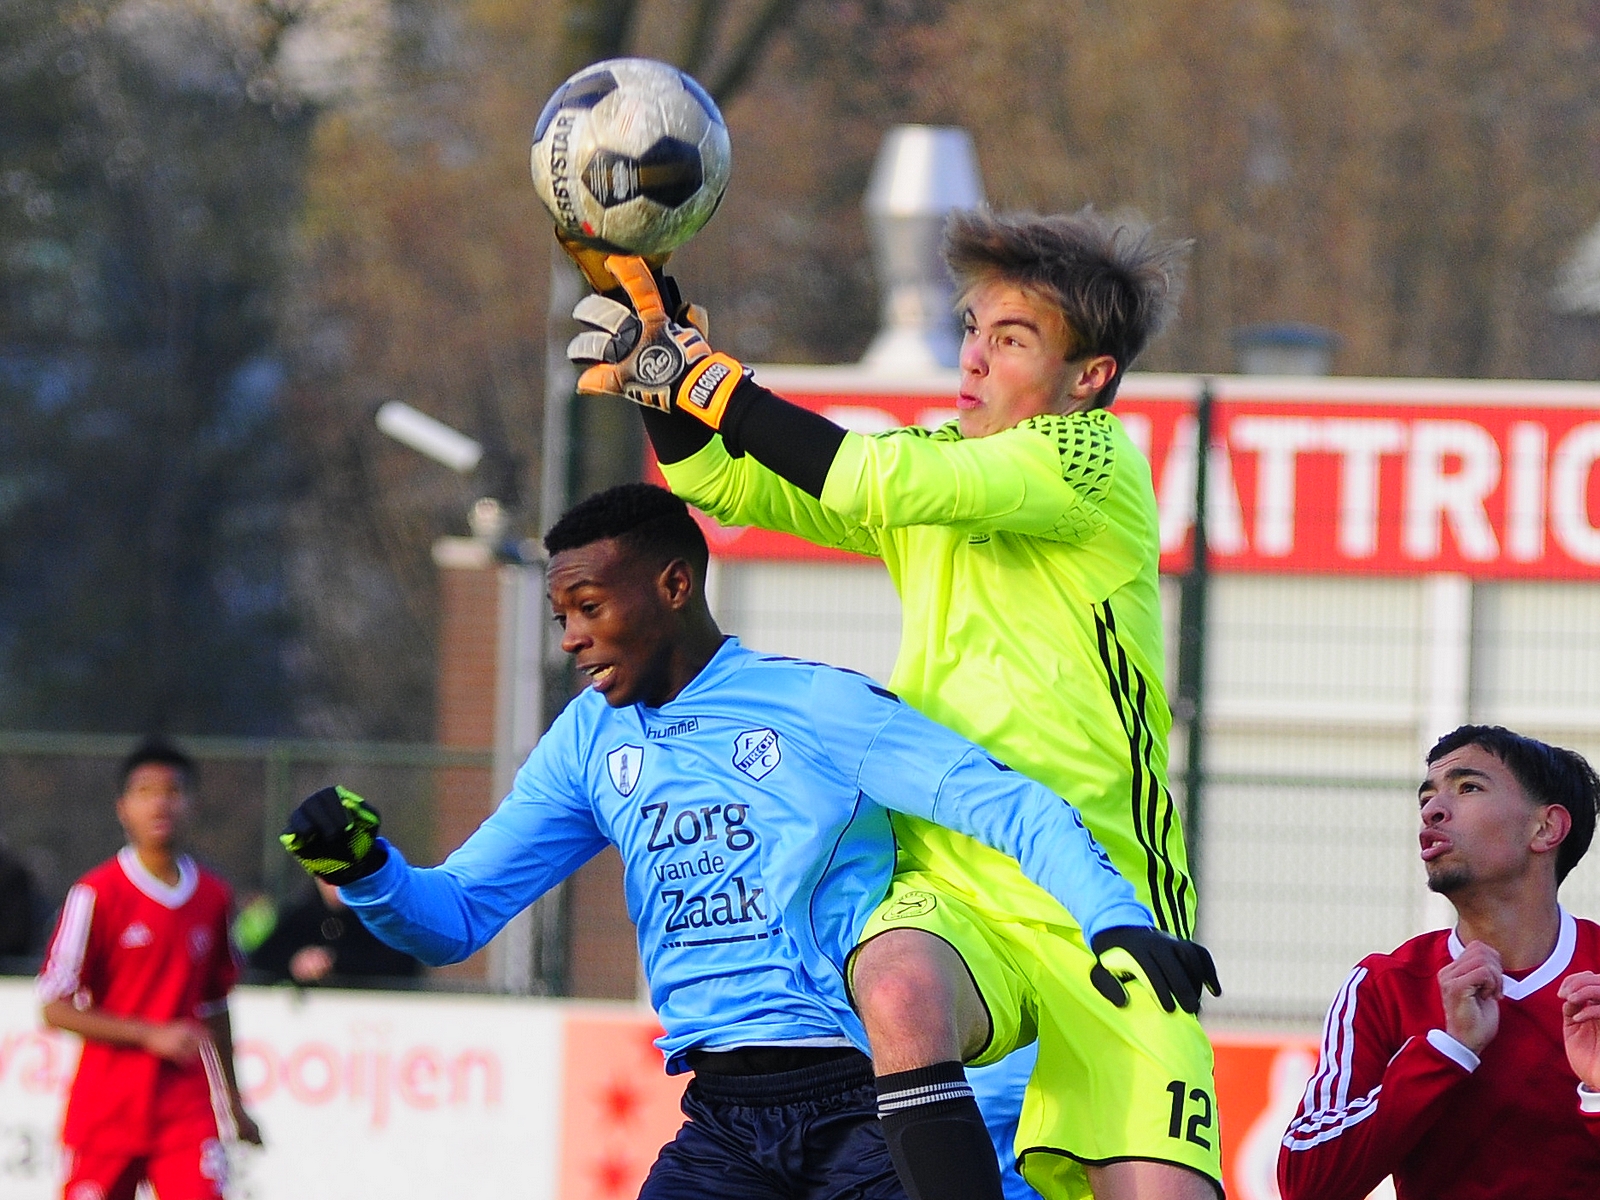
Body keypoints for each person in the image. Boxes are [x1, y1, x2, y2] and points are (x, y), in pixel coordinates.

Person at [280, 483, 1215, 1200]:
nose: (570, 636)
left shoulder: (814, 705)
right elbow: (455, 917)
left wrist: (1113, 917)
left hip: (864, 1100)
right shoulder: (585, 741)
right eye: (561, 614)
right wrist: (368, 871)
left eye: (590, 607)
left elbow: (1003, 803)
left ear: (674, 585)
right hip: (724, 1123)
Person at [562, 209, 1219, 1200]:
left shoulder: (1089, 459)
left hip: (1102, 895)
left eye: (1011, 339)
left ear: (1089, 379)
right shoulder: (940, 480)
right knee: (898, 985)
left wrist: (696, 373)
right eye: (969, 328)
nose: (974, 358)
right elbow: (722, 482)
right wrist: (662, 378)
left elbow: (861, 470)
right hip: (953, 885)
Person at [1277, 725, 1600, 1200]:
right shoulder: (1383, 984)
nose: (1432, 809)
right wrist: (1447, 1052)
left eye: (1468, 787)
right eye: (1426, 797)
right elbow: (1307, 1184)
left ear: (1546, 828)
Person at [37, 737, 262, 1200]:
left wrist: (234, 1104)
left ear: (191, 805)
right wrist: (149, 1034)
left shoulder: (214, 897)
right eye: (145, 792)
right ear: (123, 808)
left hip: (184, 1109)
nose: (161, 803)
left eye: (173, 791)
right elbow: (54, 1008)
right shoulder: (96, 893)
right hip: (107, 1110)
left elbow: (216, 1005)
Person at [246, 877, 422, 987]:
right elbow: (259, 960)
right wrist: (294, 964)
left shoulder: (378, 917)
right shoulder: (301, 916)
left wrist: (336, 963)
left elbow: (402, 965)